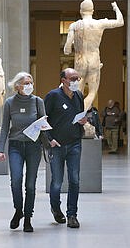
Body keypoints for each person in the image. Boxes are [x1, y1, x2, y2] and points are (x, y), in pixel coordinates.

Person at [0, 72, 44, 233]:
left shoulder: (38, 102)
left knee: (30, 184)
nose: (30, 86)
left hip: (33, 147)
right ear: (18, 86)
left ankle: (28, 218)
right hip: (15, 145)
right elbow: (4, 128)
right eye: (26, 83)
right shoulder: (10, 103)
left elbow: (44, 125)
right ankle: (18, 210)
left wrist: (49, 140)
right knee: (15, 180)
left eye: (31, 83)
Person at [44, 68, 87, 229]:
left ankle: (72, 215)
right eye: (73, 78)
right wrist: (49, 139)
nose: (76, 81)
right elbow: (43, 119)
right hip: (57, 145)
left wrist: (83, 121)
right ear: (63, 80)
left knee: (74, 180)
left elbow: (79, 114)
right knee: (57, 182)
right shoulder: (53, 96)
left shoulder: (79, 96)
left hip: (75, 143)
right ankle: (55, 208)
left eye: (77, 78)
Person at [63, 0, 124, 111]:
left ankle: (76, 113)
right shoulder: (99, 23)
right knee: (92, 92)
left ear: (81, 11)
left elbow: (67, 49)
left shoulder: (74, 26)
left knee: (77, 91)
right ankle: (81, 114)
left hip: (80, 61)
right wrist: (115, 8)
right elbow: (120, 21)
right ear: (92, 10)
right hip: (94, 60)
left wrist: (72, 45)